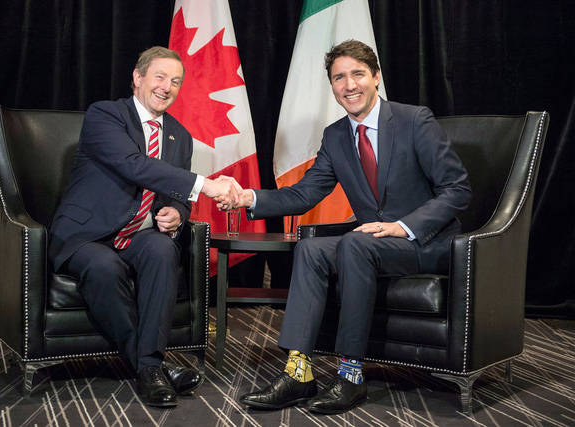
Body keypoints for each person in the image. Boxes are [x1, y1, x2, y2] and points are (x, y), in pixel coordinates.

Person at [219, 40, 472, 414]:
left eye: (358, 74)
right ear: (332, 86)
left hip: (425, 243)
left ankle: (351, 375)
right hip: (373, 245)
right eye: (339, 77)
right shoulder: (337, 135)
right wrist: (248, 198)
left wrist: (404, 226)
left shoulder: (414, 120)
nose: (349, 85)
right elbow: (306, 193)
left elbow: (457, 189)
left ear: (376, 77)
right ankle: (298, 372)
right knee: (310, 248)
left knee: (354, 242)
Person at [48, 46, 239, 408]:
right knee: (103, 266)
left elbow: (175, 194)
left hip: (139, 234)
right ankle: (152, 367)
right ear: (138, 78)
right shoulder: (105, 114)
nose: (167, 87)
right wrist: (206, 186)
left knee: (163, 248)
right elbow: (134, 164)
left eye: (176, 81)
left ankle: (148, 366)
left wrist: (178, 212)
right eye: (160, 77)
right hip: (88, 234)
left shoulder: (180, 136)